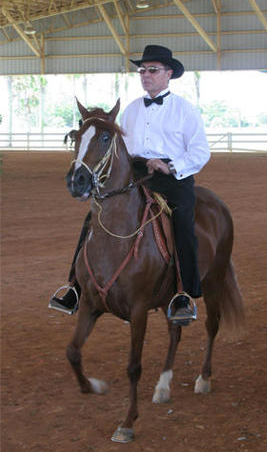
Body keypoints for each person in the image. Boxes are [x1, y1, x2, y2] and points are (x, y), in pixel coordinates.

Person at [49, 44, 210, 325]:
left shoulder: (186, 111)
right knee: (93, 216)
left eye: (152, 70)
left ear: (168, 74)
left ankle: (183, 293)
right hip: (135, 176)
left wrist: (169, 165)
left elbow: (200, 152)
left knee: (183, 220)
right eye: (142, 70)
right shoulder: (133, 109)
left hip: (172, 178)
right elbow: (119, 150)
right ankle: (74, 286)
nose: (145, 75)